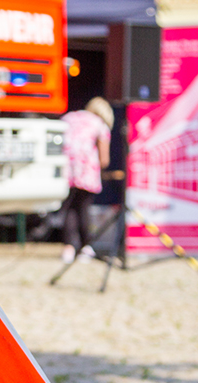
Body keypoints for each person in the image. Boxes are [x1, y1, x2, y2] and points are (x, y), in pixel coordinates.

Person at [60, 97, 113, 263]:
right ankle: (85, 247)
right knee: (83, 208)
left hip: (65, 168)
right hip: (85, 170)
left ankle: (68, 248)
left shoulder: (69, 118)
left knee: (69, 208)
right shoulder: (99, 124)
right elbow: (104, 159)